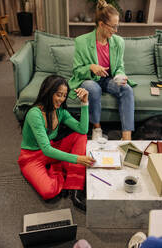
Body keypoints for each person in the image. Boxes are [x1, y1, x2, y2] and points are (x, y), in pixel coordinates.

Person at [18, 75, 95, 211]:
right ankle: (60, 169)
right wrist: (77, 159)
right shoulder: (34, 114)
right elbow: (46, 149)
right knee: (48, 191)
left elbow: (83, 129)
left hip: (51, 148)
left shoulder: (60, 112)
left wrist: (84, 103)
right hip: (31, 158)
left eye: (64, 95)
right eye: (59, 94)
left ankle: (74, 188)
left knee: (80, 136)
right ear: (48, 91)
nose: (61, 99)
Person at [68, 0, 137, 141]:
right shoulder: (81, 42)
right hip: (89, 80)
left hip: (108, 79)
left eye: (117, 26)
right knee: (93, 88)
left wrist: (119, 74)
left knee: (127, 89)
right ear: (101, 24)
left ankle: (126, 137)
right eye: (113, 27)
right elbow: (77, 71)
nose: (116, 30)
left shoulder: (119, 42)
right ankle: (96, 128)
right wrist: (91, 68)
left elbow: (119, 66)